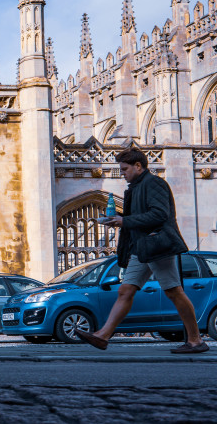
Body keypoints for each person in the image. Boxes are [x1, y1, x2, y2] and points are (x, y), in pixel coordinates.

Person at [78, 149, 209, 354]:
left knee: (173, 291)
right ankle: (103, 336)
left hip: (156, 246)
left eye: (125, 169)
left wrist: (125, 221)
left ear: (138, 166)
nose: (122, 173)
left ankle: (195, 340)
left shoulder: (154, 183)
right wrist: (118, 219)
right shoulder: (137, 187)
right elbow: (141, 215)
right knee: (125, 291)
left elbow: (159, 214)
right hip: (141, 247)